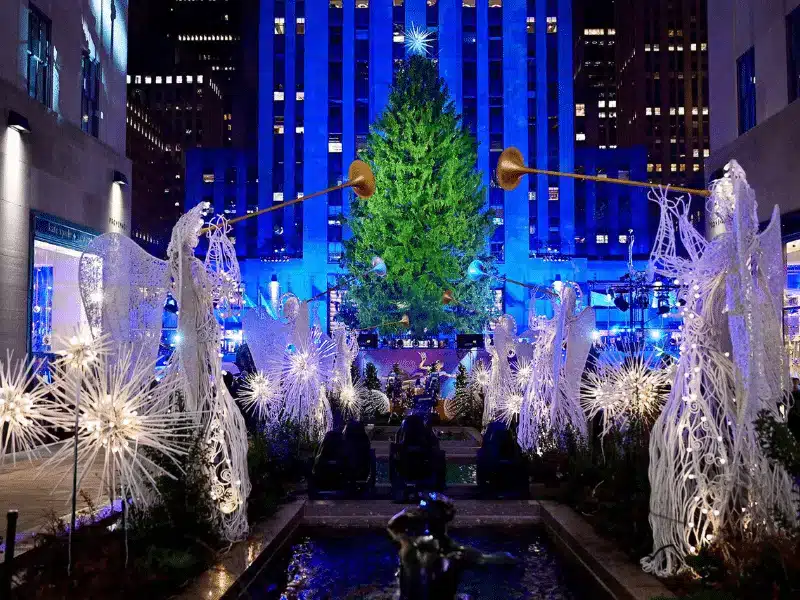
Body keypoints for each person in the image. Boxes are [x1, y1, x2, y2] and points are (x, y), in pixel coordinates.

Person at [387, 493, 516, 600]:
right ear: (447, 519)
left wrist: (407, 513)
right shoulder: (456, 553)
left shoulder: (408, 547)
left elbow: (393, 525)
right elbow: (505, 559)